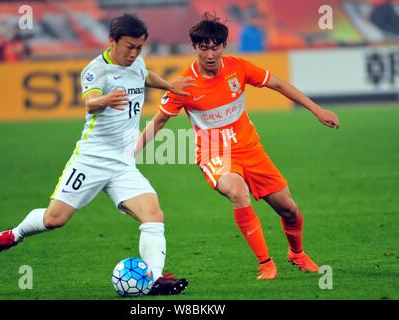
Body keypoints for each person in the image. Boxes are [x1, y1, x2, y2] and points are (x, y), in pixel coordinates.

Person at [0, 13, 194, 295]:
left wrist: (169, 86)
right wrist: (104, 100)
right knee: (54, 220)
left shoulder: (138, 63)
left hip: (122, 163)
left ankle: (153, 280)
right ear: (112, 41)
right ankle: (15, 233)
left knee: (153, 215)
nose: (134, 53)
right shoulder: (96, 71)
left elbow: (144, 75)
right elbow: (90, 101)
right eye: (129, 46)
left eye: (139, 47)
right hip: (92, 160)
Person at [136, 13, 340, 280]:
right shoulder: (182, 85)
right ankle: (266, 264)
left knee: (289, 209)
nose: (210, 54)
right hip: (213, 153)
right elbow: (159, 121)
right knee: (236, 189)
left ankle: (297, 253)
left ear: (224, 46)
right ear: (194, 47)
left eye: (215, 47)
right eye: (204, 47)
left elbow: (277, 83)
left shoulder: (238, 67)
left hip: (250, 148)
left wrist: (316, 109)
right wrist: (131, 153)